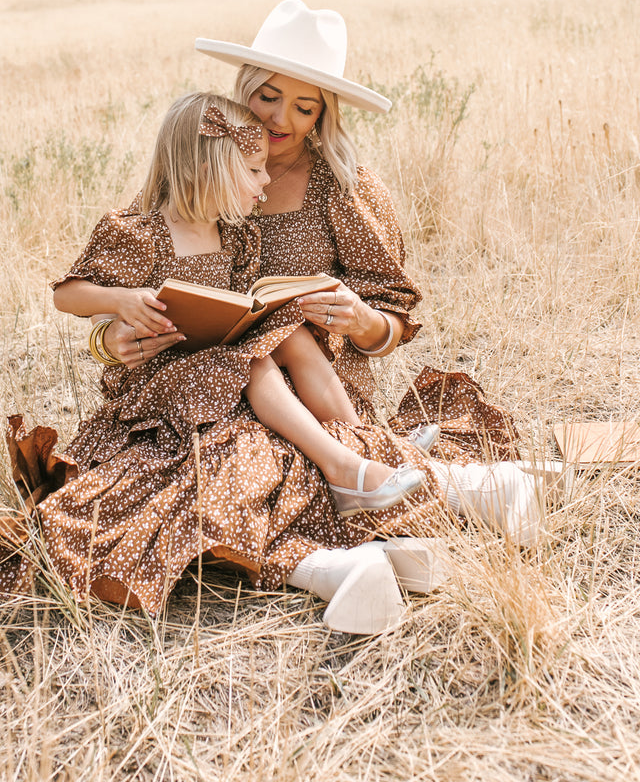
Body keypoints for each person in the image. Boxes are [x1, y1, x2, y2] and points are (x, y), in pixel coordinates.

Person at [0, 2, 549, 636]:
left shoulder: (341, 188)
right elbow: (122, 285)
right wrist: (114, 338)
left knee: (257, 414)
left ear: (325, 115)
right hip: (205, 376)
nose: (281, 120)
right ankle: (415, 507)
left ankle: (429, 497)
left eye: (306, 108)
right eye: (270, 97)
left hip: (315, 385)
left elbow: (396, 316)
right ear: (245, 87)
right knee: (221, 447)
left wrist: (360, 321)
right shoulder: (202, 163)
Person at [51, 91, 427, 517]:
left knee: (293, 336)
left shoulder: (233, 233)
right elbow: (67, 293)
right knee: (254, 362)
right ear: (210, 170)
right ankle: (342, 467)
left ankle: (365, 444)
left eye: (304, 107)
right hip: (162, 371)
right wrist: (118, 304)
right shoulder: (142, 230)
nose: (265, 179)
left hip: (215, 358)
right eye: (253, 169)